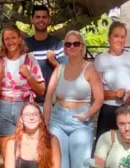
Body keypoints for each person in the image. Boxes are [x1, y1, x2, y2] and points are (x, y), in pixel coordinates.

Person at [44, 30, 104, 168]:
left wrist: (86, 115)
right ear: (65, 48)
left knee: (80, 165)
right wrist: (46, 122)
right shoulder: (59, 69)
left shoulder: (90, 69)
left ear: (82, 46)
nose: (72, 47)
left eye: (76, 43)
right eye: (68, 44)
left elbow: (99, 99)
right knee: (59, 165)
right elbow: (48, 99)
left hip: (80, 122)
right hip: (57, 120)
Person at [0, 25, 46, 157]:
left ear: (19, 38)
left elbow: (41, 90)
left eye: (13, 37)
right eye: (7, 39)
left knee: (26, 155)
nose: (10, 42)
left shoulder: (29, 60)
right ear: (3, 42)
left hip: (25, 107)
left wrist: (28, 75)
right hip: (4, 107)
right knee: (8, 156)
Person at [94, 21, 130, 144]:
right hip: (109, 110)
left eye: (122, 37)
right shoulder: (101, 60)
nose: (120, 40)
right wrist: (115, 94)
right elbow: (96, 91)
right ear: (109, 37)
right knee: (107, 146)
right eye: (116, 36)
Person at [25, 5, 67, 106]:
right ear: (32, 19)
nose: (41, 20)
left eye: (44, 17)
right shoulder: (25, 45)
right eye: (38, 17)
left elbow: (66, 73)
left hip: (52, 101)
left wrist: (54, 62)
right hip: (30, 101)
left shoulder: (57, 44)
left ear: (49, 20)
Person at [4, 102, 61, 168]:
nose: (31, 117)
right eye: (27, 114)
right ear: (21, 119)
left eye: (35, 114)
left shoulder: (52, 141)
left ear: (40, 119)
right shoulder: (12, 143)